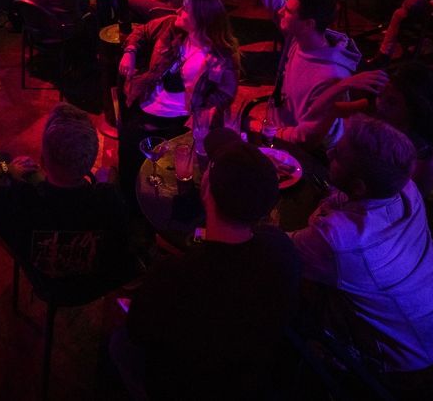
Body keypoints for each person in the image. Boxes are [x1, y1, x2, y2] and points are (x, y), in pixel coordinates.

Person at [290, 115, 433, 399]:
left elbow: (282, 249)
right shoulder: (405, 189)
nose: (328, 153)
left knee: (297, 289)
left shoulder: (339, 239)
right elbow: (343, 199)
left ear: (359, 186)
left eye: (337, 155)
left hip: (422, 372)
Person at [110, 127, 301, 401]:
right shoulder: (282, 250)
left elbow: (139, 333)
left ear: (207, 188)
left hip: (183, 386)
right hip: (252, 383)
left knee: (119, 345)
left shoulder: (171, 275)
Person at [0, 103, 136, 296]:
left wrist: (4, 168)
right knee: (107, 173)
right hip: (96, 285)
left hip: (44, 286)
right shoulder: (109, 200)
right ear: (89, 162)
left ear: (43, 161)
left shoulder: (16, 201)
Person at [229, 0, 361, 150]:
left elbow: (312, 140)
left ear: (308, 23)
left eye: (288, 12)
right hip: (279, 127)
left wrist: (262, 129)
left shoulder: (329, 77)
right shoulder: (300, 37)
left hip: (299, 151)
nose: (280, 13)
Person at [117, 0, 240, 207]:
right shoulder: (169, 26)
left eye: (185, 9)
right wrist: (130, 51)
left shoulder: (222, 53)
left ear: (201, 18)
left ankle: (164, 208)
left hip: (183, 117)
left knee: (174, 163)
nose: (179, 11)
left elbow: (227, 93)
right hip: (147, 105)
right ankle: (131, 207)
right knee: (128, 146)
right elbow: (141, 31)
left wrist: (202, 110)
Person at [297, 62, 433, 195]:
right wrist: (345, 84)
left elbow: (395, 210)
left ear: (417, 108)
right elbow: (321, 111)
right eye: (380, 95)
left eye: (392, 102)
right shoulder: (377, 110)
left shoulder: (423, 161)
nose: (380, 105)